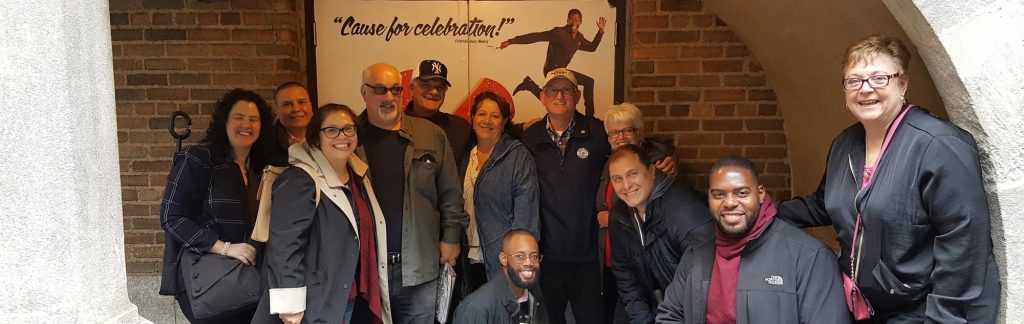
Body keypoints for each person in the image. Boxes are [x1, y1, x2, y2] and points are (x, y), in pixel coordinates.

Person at [778, 34, 1000, 323]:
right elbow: (826, 203)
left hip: (922, 310)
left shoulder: (937, 145)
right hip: (866, 305)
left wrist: (943, 317)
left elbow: (964, 242)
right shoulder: (845, 144)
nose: (865, 89)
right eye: (854, 80)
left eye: (879, 78)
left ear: (903, 84)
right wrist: (763, 212)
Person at [657, 156, 850, 324]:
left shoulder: (810, 257)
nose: (730, 203)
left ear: (760, 194)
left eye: (741, 193)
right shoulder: (697, 252)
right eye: (719, 194)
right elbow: (670, 315)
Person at [252, 104, 392, 324]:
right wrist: (290, 304)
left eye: (348, 129)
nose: (342, 136)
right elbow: (284, 245)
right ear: (316, 137)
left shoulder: (358, 176)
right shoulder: (300, 180)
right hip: (314, 304)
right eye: (332, 130)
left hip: (347, 295)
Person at [356, 62, 470, 323]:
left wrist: (452, 237)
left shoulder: (431, 134)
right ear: (364, 92)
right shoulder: (349, 137)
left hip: (420, 269)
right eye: (380, 89)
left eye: (395, 90)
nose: (388, 97)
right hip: (367, 271)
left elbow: (451, 194)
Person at [159, 88, 277, 323]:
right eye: (239, 117)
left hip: (251, 283)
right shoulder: (200, 159)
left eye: (254, 119)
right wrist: (224, 247)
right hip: (212, 282)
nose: (247, 125)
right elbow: (172, 217)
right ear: (224, 121)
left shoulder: (261, 168)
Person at [519, 68, 609, 323]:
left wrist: (664, 159)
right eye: (553, 90)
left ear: (577, 95)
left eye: (566, 89)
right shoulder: (529, 137)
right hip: (547, 259)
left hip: (588, 258)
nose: (559, 96)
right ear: (542, 97)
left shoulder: (599, 133)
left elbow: (632, 153)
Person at [606, 144, 710, 324]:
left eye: (633, 174)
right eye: (617, 179)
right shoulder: (619, 214)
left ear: (652, 171)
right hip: (650, 304)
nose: (626, 185)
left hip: (687, 312)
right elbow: (625, 275)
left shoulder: (684, 210)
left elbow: (704, 283)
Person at [595, 103, 678, 324]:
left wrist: (609, 217)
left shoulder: (657, 165)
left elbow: (653, 210)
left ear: (640, 132)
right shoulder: (610, 164)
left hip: (643, 266)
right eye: (615, 132)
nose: (620, 137)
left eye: (627, 130)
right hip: (614, 260)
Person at [460, 91, 540, 279]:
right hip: (468, 260)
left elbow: (526, 219)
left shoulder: (518, 156)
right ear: (472, 118)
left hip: (502, 262)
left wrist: (517, 261)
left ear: (504, 122)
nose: (487, 120)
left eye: (495, 116)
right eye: (481, 114)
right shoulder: (465, 156)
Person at [498, 9, 606, 116]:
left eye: (577, 20)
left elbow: (592, 47)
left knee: (589, 81)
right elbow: (537, 37)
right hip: (551, 69)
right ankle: (530, 85)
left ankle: (590, 117)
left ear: (581, 22)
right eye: (571, 19)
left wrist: (600, 31)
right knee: (554, 101)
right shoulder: (558, 33)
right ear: (567, 20)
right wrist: (511, 41)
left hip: (562, 71)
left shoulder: (579, 38)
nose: (574, 22)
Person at [453, 230, 549, 324]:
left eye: (534, 256)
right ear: (503, 259)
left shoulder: (534, 296)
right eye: (520, 256)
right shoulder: (475, 309)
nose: (529, 262)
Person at [405, 59, 474, 163]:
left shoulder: (461, 128)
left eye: (440, 87)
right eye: (426, 85)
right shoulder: (396, 126)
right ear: (411, 89)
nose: (434, 92)